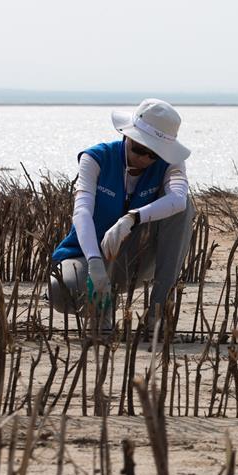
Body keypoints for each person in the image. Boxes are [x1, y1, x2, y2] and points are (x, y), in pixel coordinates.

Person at [49, 98, 195, 335]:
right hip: (87, 257)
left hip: (137, 257)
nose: (145, 159)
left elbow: (178, 199)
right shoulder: (95, 158)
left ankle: (157, 315)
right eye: (139, 149)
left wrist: (132, 218)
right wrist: (95, 262)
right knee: (60, 290)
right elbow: (82, 211)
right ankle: (101, 310)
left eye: (153, 154)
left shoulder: (172, 164)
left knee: (185, 208)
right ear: (127, 136)